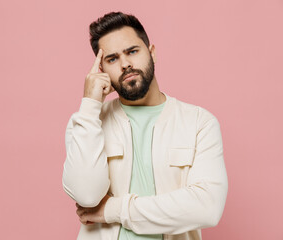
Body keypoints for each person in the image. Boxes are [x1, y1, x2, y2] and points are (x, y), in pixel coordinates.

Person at [62, 11, 228, 240]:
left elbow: (207, 207)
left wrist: (112, 210)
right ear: (102, 71)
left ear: (152, 53)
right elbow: (87, 196)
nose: (125, 64)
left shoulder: (199, 123)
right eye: (112, 59)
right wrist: (90, 104)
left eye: (132, 51)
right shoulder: (85, 122)